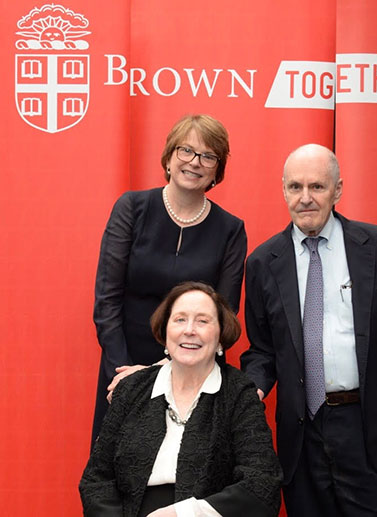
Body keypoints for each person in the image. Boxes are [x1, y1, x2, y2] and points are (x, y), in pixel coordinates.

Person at [240, 144, 377, 516]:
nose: (306, 198)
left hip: (370, 431)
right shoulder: (263, 263)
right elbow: (262, 351)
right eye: (295, 187)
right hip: (302, 436)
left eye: (317, 187)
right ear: (283, 191)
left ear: (338, 190)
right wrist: (251, 391)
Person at [92, 114, 247, 443]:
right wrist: (126, 374)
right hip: (123, 372)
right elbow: (107, 301)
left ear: (217, 169)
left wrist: (167, 373)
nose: (195, 162)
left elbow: (224, 316)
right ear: (169, 155)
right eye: (186, 150)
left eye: (208, 156)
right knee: (118, 480)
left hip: (195, 378)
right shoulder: (132, 208)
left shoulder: (231, 230)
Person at [80, 281, 282, 517]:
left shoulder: (239, 394)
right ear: (165, 331)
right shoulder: (131, 388)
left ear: (220, 337)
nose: (189, 330)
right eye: (180, 319)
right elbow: (96, 480)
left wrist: (182, 514)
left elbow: (262, 485)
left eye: (203, 321)